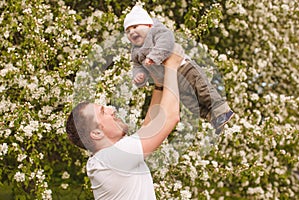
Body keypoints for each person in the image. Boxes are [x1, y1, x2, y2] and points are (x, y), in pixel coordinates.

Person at [65, 44, 184, 200]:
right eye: (103, 112)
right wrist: (172, 66)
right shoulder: (113, 158)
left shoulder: (106, 159)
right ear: (96, 133)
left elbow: (150, 127)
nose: (111, 110)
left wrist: (160, 85)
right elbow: (169, 117)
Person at [124, 6, 234, 134]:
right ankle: (213, 118)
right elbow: (137, 67)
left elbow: (166, 42)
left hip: (184, 69)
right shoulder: (135, 52)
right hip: (171, 81)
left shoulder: (156, 32)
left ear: (148, 25)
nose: (131, 32)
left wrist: (154, 57)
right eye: (128, 31)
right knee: (190, 103)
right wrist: (139, 77)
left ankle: (222, 110)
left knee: (202, 91)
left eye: (135, 27)